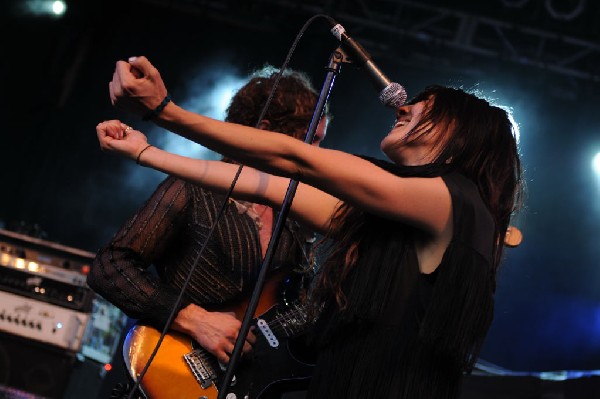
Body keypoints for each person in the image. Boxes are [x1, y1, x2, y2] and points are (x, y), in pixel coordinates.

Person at [97, 55, 523, 399]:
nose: (404, 106)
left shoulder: (453, 199)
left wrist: (164, 111)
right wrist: (146, 153)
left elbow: (296, 161)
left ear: (460, 135)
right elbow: (272, 187)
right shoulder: (398, 217)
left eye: (427, 108)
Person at [88, 65, 329, 397]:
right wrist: (195, 320)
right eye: (311, 140)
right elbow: (109, 267)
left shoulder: (297, 219)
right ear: (264, 129)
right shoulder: (195, 188)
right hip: (171, 372)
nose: (317, 155)